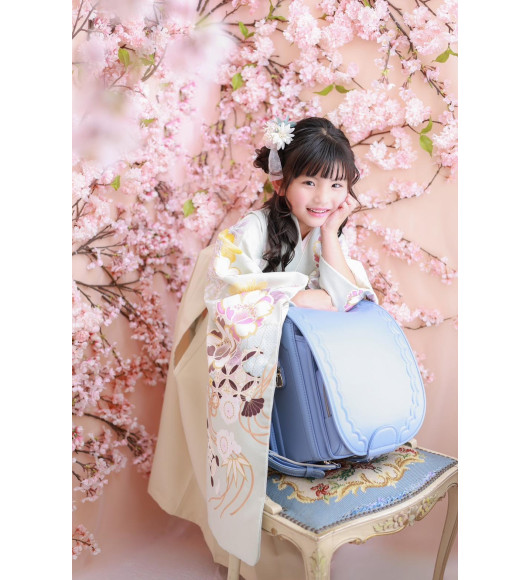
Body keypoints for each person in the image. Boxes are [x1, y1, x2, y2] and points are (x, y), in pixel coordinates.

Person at [148, 117, 377, 576]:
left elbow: (348, 297)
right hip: (231, 361)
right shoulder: (253, 228)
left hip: (285, 363)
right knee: (243, 464)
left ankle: (298, 540)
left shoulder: (327, 229)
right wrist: (297, 294)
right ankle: (242, 557)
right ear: (280, 182)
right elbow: (228, 288)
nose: (323, 197)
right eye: (309, 182)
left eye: (336, 185)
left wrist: (330, 234)